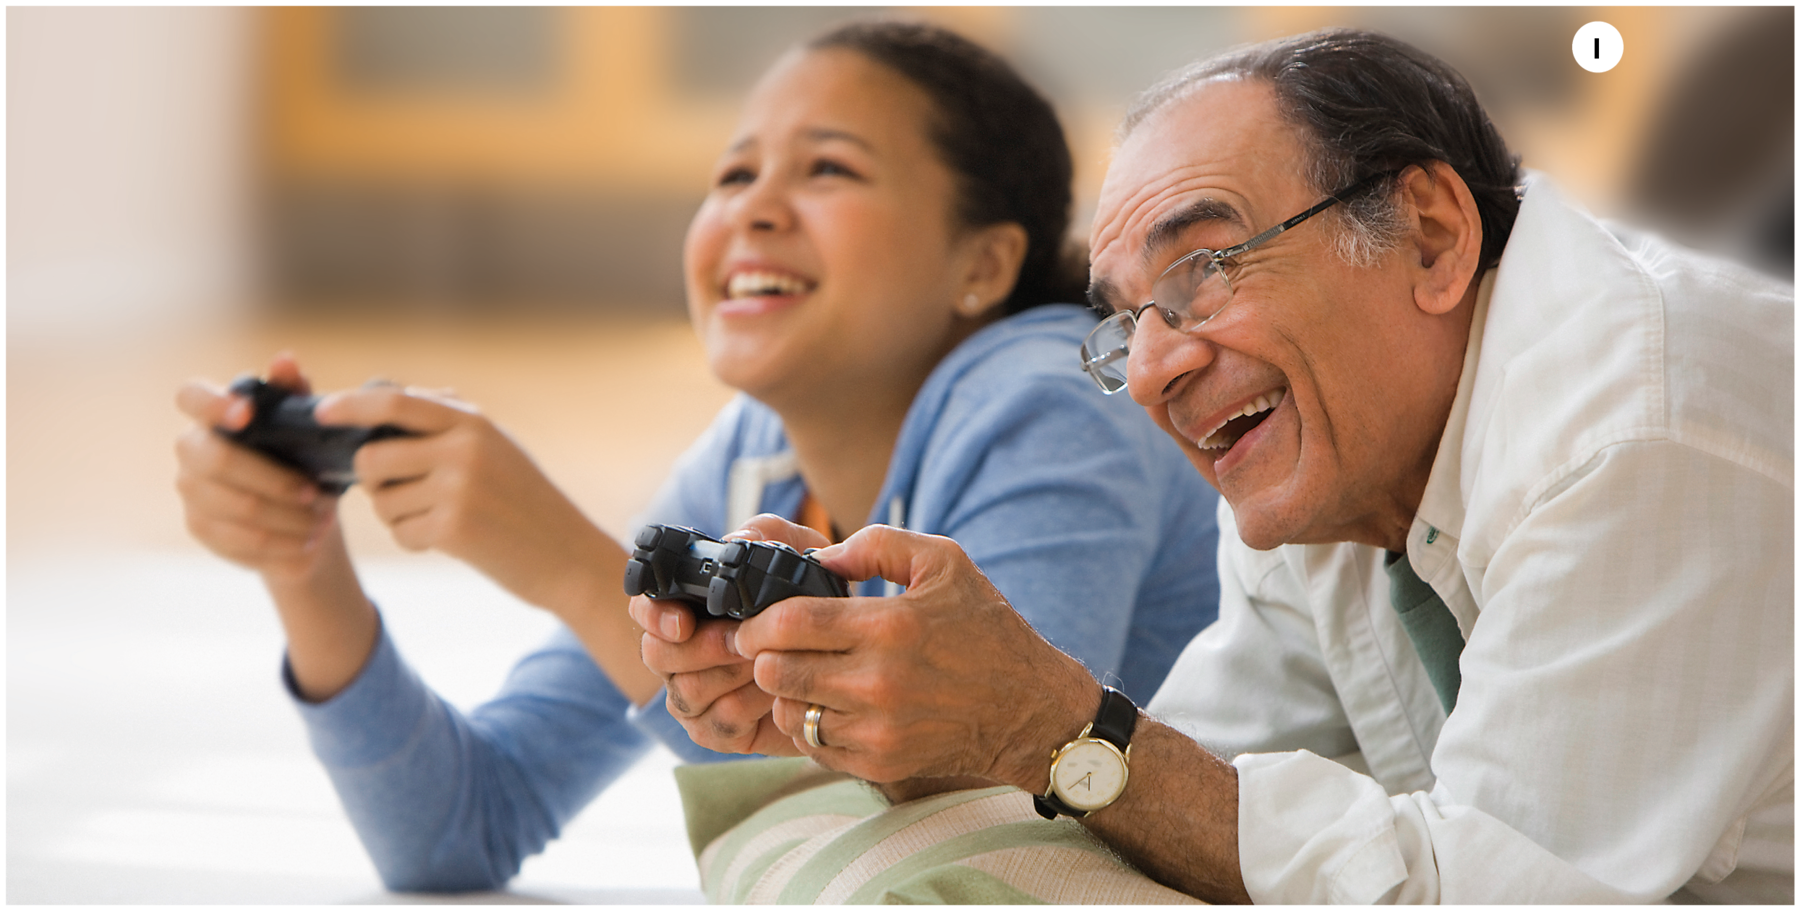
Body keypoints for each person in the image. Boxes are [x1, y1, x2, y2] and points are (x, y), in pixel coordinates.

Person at [640, 27, 1794, 903]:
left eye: (1203, 270)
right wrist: (886, 704)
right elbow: (1186, 795)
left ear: (1434, 236)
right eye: (1126, 319)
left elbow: (1485, 886)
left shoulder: (1635, 425)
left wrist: (1047, 718)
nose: (1149, 371)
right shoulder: (1324, 469)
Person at [172, 20, 1222, 892]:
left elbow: (984, 798)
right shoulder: (751, 462)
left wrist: (559, 555)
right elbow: (456, 827)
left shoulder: (1052, 400)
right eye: (731, 173)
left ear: (982, 262)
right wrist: (303, 561)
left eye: (827, 168)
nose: (753, 207)